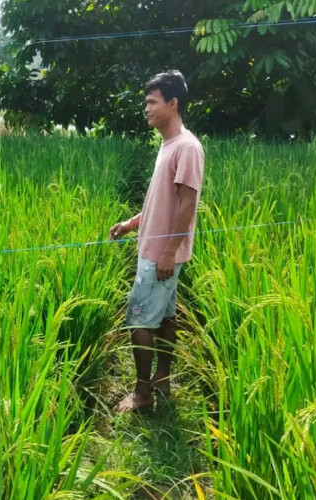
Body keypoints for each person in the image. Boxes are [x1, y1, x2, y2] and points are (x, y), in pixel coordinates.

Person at [109, 71, 205, 412]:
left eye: (152, 102)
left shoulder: (187, 148)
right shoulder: (168, 145)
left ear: (172, 103)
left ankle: (142, 393)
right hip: (155, 249)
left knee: (138, 320)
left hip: (160, 256)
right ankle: (161, 380)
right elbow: (161, 199)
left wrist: (167, 251)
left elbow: (187, 203)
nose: (146, 108)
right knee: (165, 318)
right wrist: (132, 223)